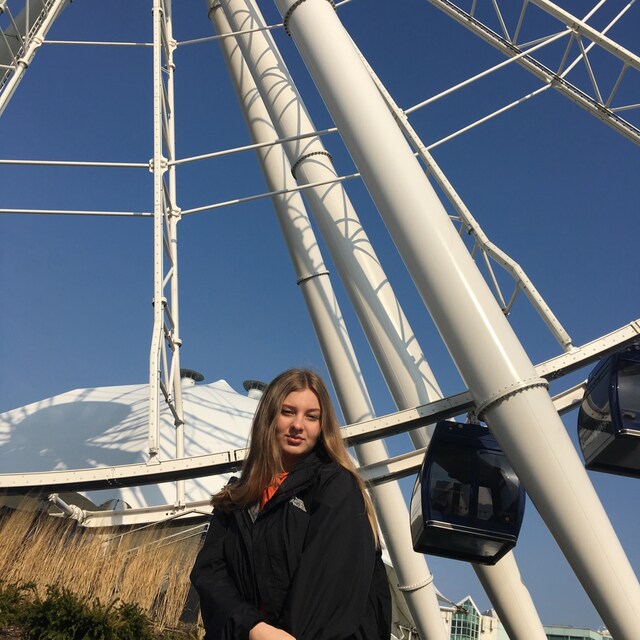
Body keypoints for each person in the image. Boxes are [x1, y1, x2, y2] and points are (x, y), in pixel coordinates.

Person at [190, 368, 391, 640]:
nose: (298, 425)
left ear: (322, 426)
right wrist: (253, 628)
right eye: (288, 412)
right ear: (269, 416)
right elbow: (210, 575)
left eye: (311, 416)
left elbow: (328, 590)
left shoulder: (335, 487)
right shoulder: (236, 498)